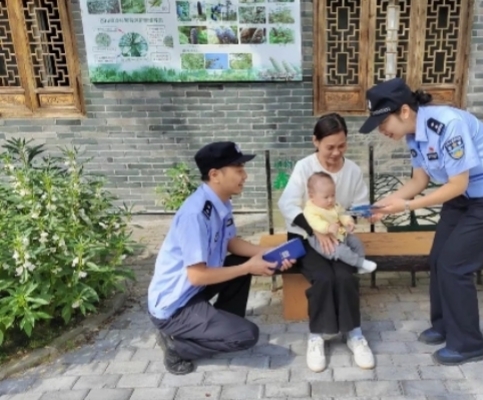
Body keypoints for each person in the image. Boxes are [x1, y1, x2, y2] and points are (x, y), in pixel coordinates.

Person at [359, 78, 483, 366]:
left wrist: (407, 206)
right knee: (438, 259)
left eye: (383, 122)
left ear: (405, 111)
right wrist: (383, 207)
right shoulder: (413, 134)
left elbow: (457, 185)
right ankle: (444, 325)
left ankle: (469, 344)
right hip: (466, 194)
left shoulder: (446, 124)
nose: (381, 130)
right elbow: (419, 180)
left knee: (455, 265)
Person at [147, 141, 295, 375]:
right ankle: (177, 347)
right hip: (174, 307)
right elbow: (196, 276)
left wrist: (267, 253)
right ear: (215, 175)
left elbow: (231, 242)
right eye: (239, 170)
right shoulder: (195, 214)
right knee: (246, 336)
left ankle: (218, 325)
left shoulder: (220, 202)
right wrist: (249, 267)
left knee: (238, 263)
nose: (244, 176)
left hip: (193, 291)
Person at [278, 113, 375, 373]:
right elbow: (286, 204)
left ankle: (354, 333)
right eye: (329, 146)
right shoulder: (304, 166)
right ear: (316, 142)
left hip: (338, 236)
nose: (336, 152)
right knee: (323, 277)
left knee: (344, 275)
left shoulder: (352, 170)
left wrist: (355, 217)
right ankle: (317, 335)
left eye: (341, 145)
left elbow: (358, 205)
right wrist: (315, 230)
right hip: (305, 236)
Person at [303, 171, 377, 274]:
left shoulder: (335, 205)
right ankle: (360, 263)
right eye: (326, 197)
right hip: (322, 240)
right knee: (341, 251)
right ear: (312, 196)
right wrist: (327, 227)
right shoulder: (310, 209)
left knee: (356, 242)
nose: (330, 200)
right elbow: (314, 222)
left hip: (340, 233)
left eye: (332, 195)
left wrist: (348, 222)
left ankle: (361, 264)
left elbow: (342, 214)